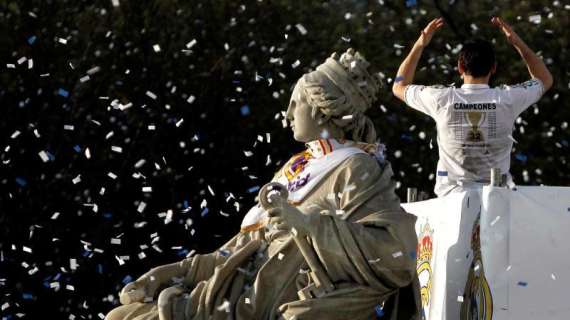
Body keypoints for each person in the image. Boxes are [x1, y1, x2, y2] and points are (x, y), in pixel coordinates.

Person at [106, 48, 420, 320]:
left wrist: (309, 225)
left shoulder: (356, 166)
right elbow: (240, 249)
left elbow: (393, 256)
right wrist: (176, 272)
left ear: (322, 110)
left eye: (296, 104)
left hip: (275, 297)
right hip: (238, 288)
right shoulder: (296, 167)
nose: (287, 114)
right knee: (121, 314)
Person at [392, 17, 553, 197]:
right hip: (497, 199)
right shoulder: (507, 98)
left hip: (450, 202)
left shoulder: (441, 99)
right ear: (493, 68)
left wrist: (419, 45)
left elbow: (399, 85)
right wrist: (517, 43)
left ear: (460, 67)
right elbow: (544, 79)